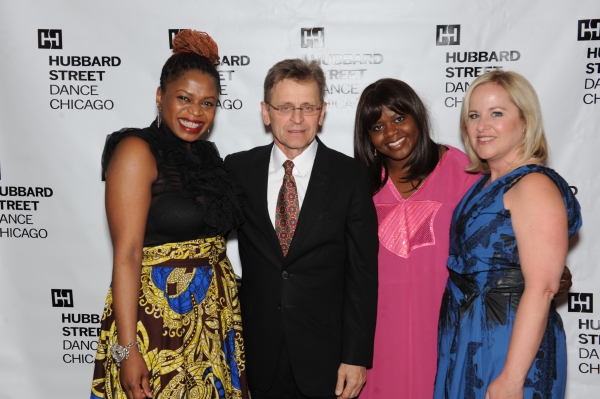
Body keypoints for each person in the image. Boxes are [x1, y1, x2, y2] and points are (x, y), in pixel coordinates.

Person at [90, 30, 247, 399]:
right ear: (161, 97)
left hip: (211, 322)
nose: (196, 113)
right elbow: (127, 254)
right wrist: (127, 351)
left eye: (207, 103)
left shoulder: (207, 157)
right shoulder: (135, 151)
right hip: (155, 324)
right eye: (184, 99)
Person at [224, 59, 378, 399]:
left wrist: (355, 357)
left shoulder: (350, 177)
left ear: (321, 113)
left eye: (307, 107)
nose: (297, 119)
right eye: (285, 107)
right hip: (259, 352)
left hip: (327, 358)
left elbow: (362, 274)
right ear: (266, 112)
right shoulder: (237, 169)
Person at [434, 70, 582, 398]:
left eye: (496, 114)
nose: (481, 126)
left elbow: (543, 287)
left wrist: (513, 378)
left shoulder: (533, 186)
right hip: (471, 338)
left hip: (506, 343)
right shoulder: (486, 184)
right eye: (474, 115)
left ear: (526, 122)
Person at [353, 78, 480, 399]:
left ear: (417, 116)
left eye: (399, 118)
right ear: (367, 136)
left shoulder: (463, 171)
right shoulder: (359, 184)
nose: (392, 133)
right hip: (378, 333)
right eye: (377, 126)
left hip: (446, 326)